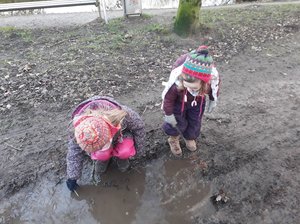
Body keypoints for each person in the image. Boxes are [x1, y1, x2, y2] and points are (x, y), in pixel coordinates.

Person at [66, 96, 146, 193]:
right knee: (102, 154)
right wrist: (72, 176)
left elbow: (139, 127)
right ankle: (102, 160)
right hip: (105, 141)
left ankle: (122, 159)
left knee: (125, 151)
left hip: (122, 134)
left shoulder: (123, 115)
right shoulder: (78, 130)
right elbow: (74, 152)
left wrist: (139, 151)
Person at [161, 46, 220, 157]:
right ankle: (173, 138)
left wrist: (213, 99)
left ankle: (190, 137)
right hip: (179, 104)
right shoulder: (177, 85)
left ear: (203, 83)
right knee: (177, 122)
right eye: (186, 84)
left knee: (195, 120)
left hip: (197, 103)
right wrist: (168, 114)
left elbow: (215, 86)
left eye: (193, 87)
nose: (189, 88)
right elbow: (168, 99)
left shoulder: (208, 83)